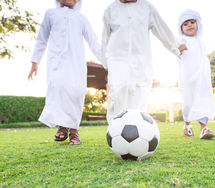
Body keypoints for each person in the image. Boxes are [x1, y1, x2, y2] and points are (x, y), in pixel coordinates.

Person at [28, 0, 102, 145]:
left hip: (76, 62)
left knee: (76, 92)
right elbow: (41, 39)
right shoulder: (50, 14)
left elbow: (93, 41)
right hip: (56, 62)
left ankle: (74, 132)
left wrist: (106, 62)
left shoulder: (81, 18)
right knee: (58, 88)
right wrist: (35, 62)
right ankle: (62, 127)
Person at [102, 0, 186, 121]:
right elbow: (105, 38)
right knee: (118, 91)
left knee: (139, 95)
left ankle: (136, 131)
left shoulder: (147, 8)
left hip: (142, 60)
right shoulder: (111, 10)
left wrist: (175, 46)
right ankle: (115, 128)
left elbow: (161, 28)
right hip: (117, 59)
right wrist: (105, 61)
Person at [178, 9, 215, 139]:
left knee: (203, 100)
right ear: (181, 28)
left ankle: (203, 128)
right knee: (189, 102)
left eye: (192, 22)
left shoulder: (200, 42)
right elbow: (177, 49)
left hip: (202, 78)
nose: (189, 25)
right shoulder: (182, 39)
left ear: (197, 24)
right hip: (188, 78)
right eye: (185, 24)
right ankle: (187, 125)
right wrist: (180, 48)